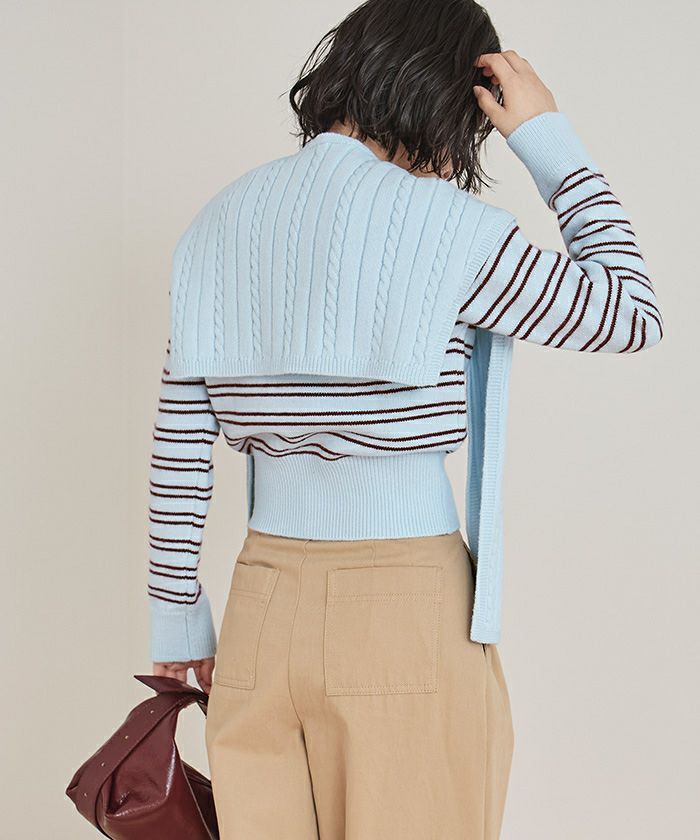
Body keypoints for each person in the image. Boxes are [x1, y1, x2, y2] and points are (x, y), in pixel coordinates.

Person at [146, 1, 664, 837]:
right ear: (451, 98)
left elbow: (179, 443)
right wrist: (547, 139)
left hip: (259, 607)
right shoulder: (454, 232)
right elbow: (629, 313)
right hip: (404, 607)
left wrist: (176, 617)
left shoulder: (217, 223)